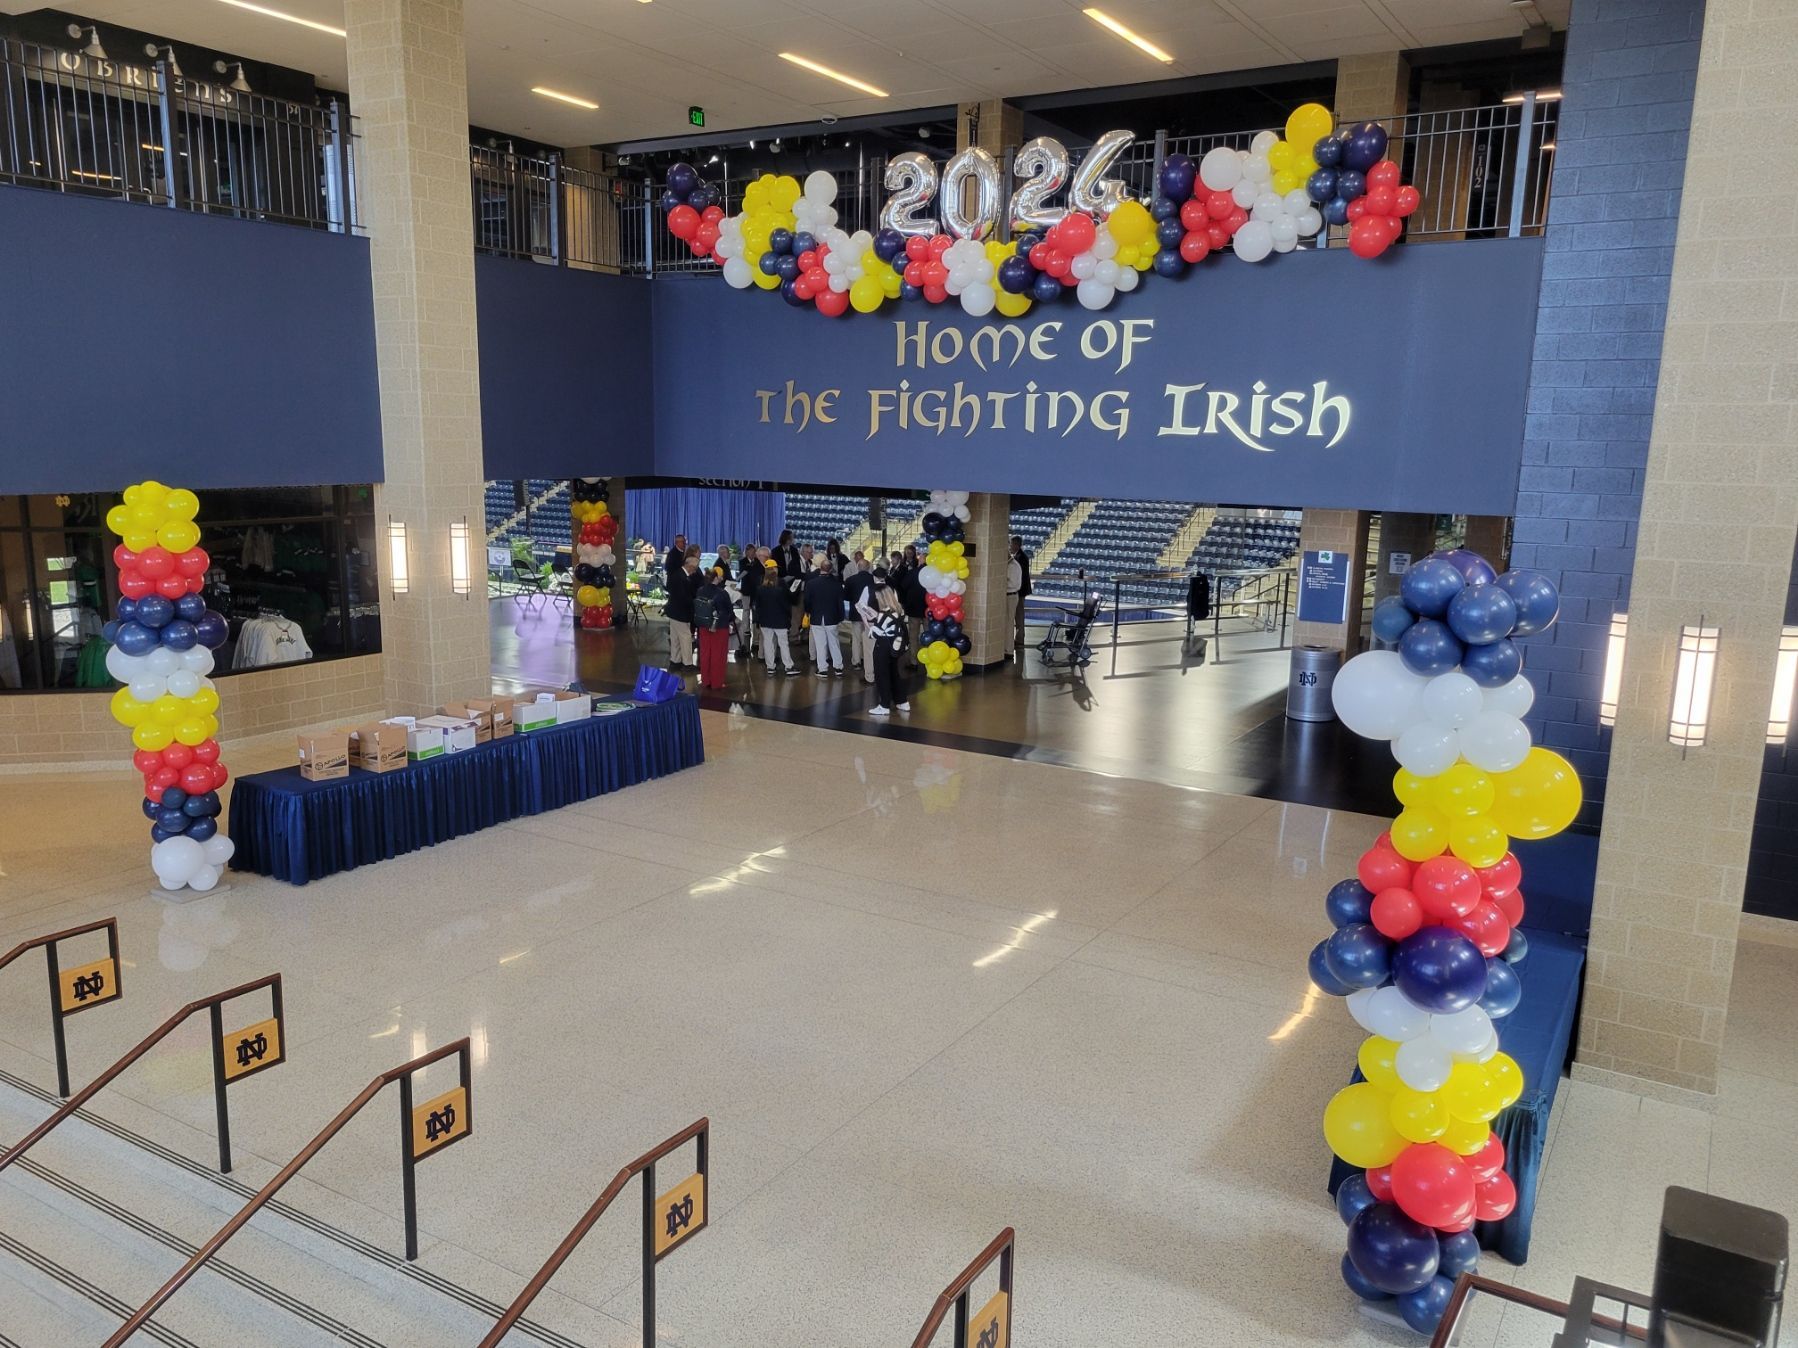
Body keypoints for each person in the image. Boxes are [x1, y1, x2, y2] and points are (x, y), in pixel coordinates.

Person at [858, 569, 910, 716]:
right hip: (895, 646)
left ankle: (884, 705)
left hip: (883, 646)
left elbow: (875, 632)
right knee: (894, 673)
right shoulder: (898, 610)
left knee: (882, 675)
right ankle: (902, 702)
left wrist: (871, 621)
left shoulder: (883, 614)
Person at [692, 566, 735, 689]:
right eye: (720, 576)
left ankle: (706, 680)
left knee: (705, 653)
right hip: (719, 628)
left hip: (704, 626)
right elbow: (729, 611)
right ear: (716, 578)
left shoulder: (700, 590)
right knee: (719, 655)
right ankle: (717, 682)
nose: (721, 577)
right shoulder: (722, 593)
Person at [752, 559, 796, 674]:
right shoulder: (781, 586)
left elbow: (757, 605)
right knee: (783, 643)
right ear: (774, 569)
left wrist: (758, 620)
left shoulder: (760, 587)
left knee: (768, 642)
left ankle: (770, 666)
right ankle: (788, 666)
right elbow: (788, 603)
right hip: (780, 620)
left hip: (765, 620)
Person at [804, 559, 847, 675]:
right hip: (832, 617)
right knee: (834, 642)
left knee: (820, 644)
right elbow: (840, 603)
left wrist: (808, 612)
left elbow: (807, 602)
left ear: (820, 568)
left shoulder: (811, 584)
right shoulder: (836, 584)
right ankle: (838, 667)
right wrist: (840, 617)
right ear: (831, 569)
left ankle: (822, 669)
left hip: (816, 617)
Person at [843, 551, 875, 682]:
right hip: (870, 615)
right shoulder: (873, 580)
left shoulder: (851, 580)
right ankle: (867, 661)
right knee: (869, 641)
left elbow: (845, 596)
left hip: (856, 614)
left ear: (857, 567)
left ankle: (856, 661)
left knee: (856, 639)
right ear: (868, 568)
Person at [664, 548, 699, 667]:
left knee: (675, 638)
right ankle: (687, 663)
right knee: (685, 638)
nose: (694, 572)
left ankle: (675, 660)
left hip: (673, 612)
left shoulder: (677, 574)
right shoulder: (682, 577)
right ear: (690, 566)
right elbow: (684, 597)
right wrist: (695, 603)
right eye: (694, 569)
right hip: (680, 613)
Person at [896, 544, 926, 671]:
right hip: (928, 610)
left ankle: (914, 662)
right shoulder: (934, 574)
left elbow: (903, 585)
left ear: (919, 560)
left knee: (913, 637)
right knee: (928, 635)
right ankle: (929, 660)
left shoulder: (913, 573)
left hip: (914, 610)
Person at [735, 545, 763, 660]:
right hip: (746, 589)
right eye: (750, 552)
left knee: (755, 611)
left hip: (755, 590)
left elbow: (760, 571)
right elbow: (743, 573)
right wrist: (751, 570)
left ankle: (754, 629)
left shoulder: (757, 562)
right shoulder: (742, 561)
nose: (752, 554)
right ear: (746, 552)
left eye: (753, 552)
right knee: (746, 610)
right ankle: (746, 629)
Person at [1007, 535, 1032, 658]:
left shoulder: (1020, 558)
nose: (1010, 547)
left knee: (1019, 616)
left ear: (1016, 545)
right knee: (1017, 616)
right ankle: (1018, 638)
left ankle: (1020, 639)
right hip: (1020, 592)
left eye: (1011, 544)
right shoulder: (1019, 556)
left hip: (1020, 593)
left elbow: (1019, 577)